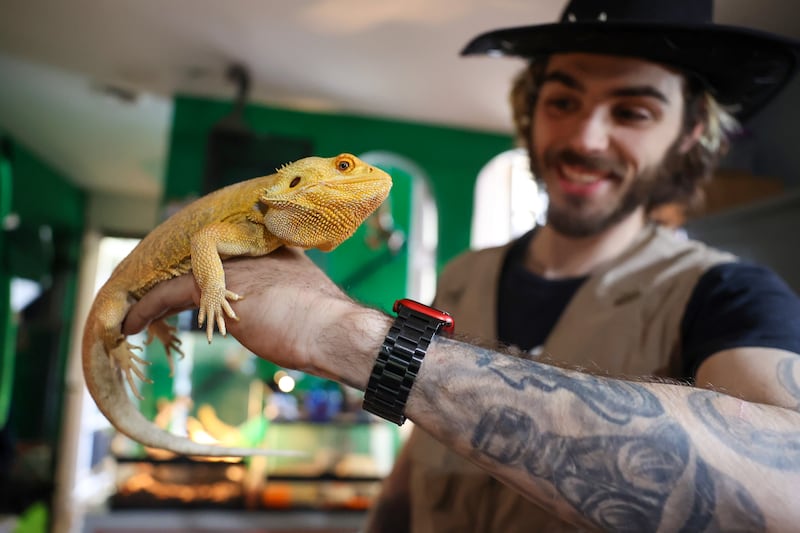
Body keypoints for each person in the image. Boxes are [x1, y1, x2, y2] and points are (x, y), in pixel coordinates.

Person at [124, 0, 800, 530]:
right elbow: (421, 465)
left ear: (687, 134)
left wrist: (348, 337)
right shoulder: (464, 276)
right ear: (530, 112)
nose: (586, 137)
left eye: (633, 110)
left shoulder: (731, 293)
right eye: (562, 100)